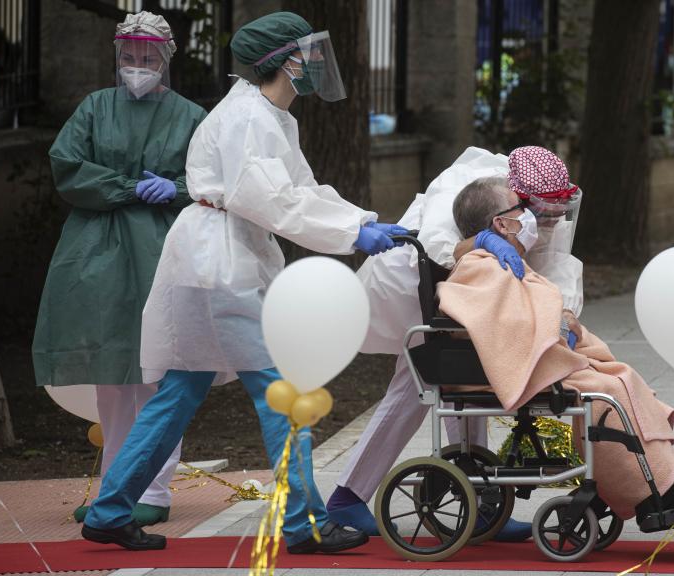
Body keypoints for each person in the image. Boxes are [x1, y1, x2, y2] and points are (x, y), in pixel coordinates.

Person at [81, 12, 405, 553]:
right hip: (221, 266)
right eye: (306, 52)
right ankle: (303, 525)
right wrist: (353, 233)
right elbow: (272, 201)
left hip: (211, 261)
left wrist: (363, 222)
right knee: (285, 392)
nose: (315, 61)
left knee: (178, 393)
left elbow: (301, 187)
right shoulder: (250, 119)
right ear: (282, 60)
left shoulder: (269, 116)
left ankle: (111, 509)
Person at [441, 177, 674, 528]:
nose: (529, 215)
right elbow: (504, 324)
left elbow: (520, 314)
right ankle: (659, 491)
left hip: (543, 359)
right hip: (523, 366)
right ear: (500, 223)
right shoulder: (483, 262)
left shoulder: (496, 257)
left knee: (622, 376)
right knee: (607, 394)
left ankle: (669, 482)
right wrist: (558, 325)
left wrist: (561, 323)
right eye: (520, 209)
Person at [325, 146, 584, 542]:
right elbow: (434, 242)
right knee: (426, 382)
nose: (551, 221)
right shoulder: (471, 183)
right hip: (411, 284)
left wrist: (563, 314)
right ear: (521, 200)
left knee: (454, 384)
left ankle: (475, 498)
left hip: (463, 294)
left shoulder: (542, 203)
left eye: (556, 212)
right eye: (544, 213)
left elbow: (552, 264)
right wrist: (482, 239)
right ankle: (361, 497)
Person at [32, 11, 206, 527]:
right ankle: (115, 484)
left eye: (148, 58)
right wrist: (130, 188)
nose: (137, 67)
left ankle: (153, 487)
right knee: (112, 372)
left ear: (166, 60)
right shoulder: (93, 108)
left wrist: (173, 189)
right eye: (128, 58)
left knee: (159, 368)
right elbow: (67, 165)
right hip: (98, 253)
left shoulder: (192, 116)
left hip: (162, 249)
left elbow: (209, 178)